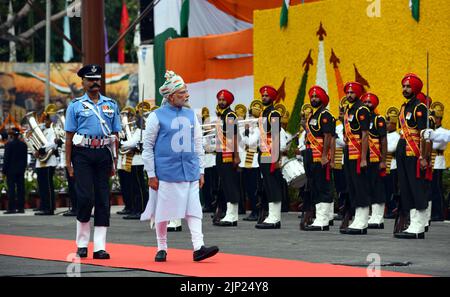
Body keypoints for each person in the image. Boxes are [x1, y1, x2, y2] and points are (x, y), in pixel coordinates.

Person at [141, 70, 219, 262]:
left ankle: (198, 247)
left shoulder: (192, 115)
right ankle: (161, 247)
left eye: (186, 91)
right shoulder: (156, 116)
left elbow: (198, 143)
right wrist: (151, 173)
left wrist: (201, 170)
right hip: (165, 172)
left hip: (190, 170)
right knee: (163, 212)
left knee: (194, 210)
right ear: (170, 96)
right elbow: (147, 146)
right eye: (182, 92)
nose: (186, 95)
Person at [65, 64, 122, 259]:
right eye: (90, 80)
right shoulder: (75, 106)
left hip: (103, 154)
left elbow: (115, 135)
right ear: (83, 82)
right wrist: (68, 163)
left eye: (97, 79)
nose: (94, 83)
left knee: (103, 200)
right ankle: (82, 243)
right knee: (85, 198)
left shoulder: (111, 104)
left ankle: (99, 246)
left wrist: (115, 161)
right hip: (82, 154)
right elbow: (69, 136)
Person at [394, 73, 429, 239]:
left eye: (408, 86)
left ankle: (419, 225)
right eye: (404, 86)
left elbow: (425, 135)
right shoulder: (404, 107)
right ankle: (413, 223)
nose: (405, 89)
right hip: (403, 153)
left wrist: (424, 156)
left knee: (416, 188)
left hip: (414, 154)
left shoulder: (419, 107)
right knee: (406, 188)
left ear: (415, 89)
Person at [302, 86, 335, 231]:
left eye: (316, 97)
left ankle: (323, 220)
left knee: (323, 187)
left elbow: (328, 136)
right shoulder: (312, 116)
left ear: (322, 99)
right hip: (310, 155)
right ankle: (319, 218)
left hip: (320, 156)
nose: (313, 99)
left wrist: (324, 156)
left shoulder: (325, 115)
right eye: (312, 96)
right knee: (314, 186)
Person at [340, 82, 371, 235]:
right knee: (352, 186)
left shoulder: (362, 109)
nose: (349, 95)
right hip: (349, 153)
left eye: (352, 92)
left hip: (359, 154)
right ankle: (357, 218)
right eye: (347, 92)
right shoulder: (348, 110)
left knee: (360, 186)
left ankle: (363, 220)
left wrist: (364, 157)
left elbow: (365, 134)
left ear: (357, 94)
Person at [254, 85, 283, 229]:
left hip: (271, 154)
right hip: (263, 153)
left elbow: (276, 136)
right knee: (267, 184)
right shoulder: (262, 114)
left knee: (273, 184)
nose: (264, 97)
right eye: (263, 95)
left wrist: (276, 158)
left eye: (266, 96)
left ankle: (275, 217)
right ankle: (271, 215)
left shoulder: (274, 114)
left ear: (272, 98)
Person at [213, 89, 241, 227]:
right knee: (225, 183)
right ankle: (229, 213)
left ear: (229, 102)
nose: (221, 102)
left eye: (224, 100)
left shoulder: (230, 115)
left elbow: (234, 137)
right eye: (220, 99)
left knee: (230, 183)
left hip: (228, 154)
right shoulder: (221, 115)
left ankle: (232, 215)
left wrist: (236, 156)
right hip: (220, 152)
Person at [361, 93, 387, 229]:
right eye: (364, 102)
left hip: (376, 159)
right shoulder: (360, 120)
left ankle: (378, 217)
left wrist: (383, 160)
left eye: (369, 102)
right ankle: (372, 215)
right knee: (367, 186)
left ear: (374, 104)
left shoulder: (379, 119)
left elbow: (383, 140)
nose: (366, 104)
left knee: (377, 187)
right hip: (364, 159)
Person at [34, 105, 60, 216]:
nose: (45, 121)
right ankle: (44, 206)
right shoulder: (44, 130)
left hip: (49, 161)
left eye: (46, 119)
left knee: (48, 186)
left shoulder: (53, 130)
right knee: (42, 186)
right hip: (41, 162)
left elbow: (53, 144)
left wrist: (41, 149)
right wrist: (36, 150)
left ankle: (49, 208)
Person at [2, 128, 27, 214]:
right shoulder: (24, 145)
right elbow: (25, 159)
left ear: (11, 135)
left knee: (11, 189)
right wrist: (23, 169)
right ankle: (21, 208)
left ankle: (11, 208)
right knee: (21, 189)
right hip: (20, 170)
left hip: (10, 170)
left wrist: (3, 171)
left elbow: (6, 159)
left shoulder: (9, 145)